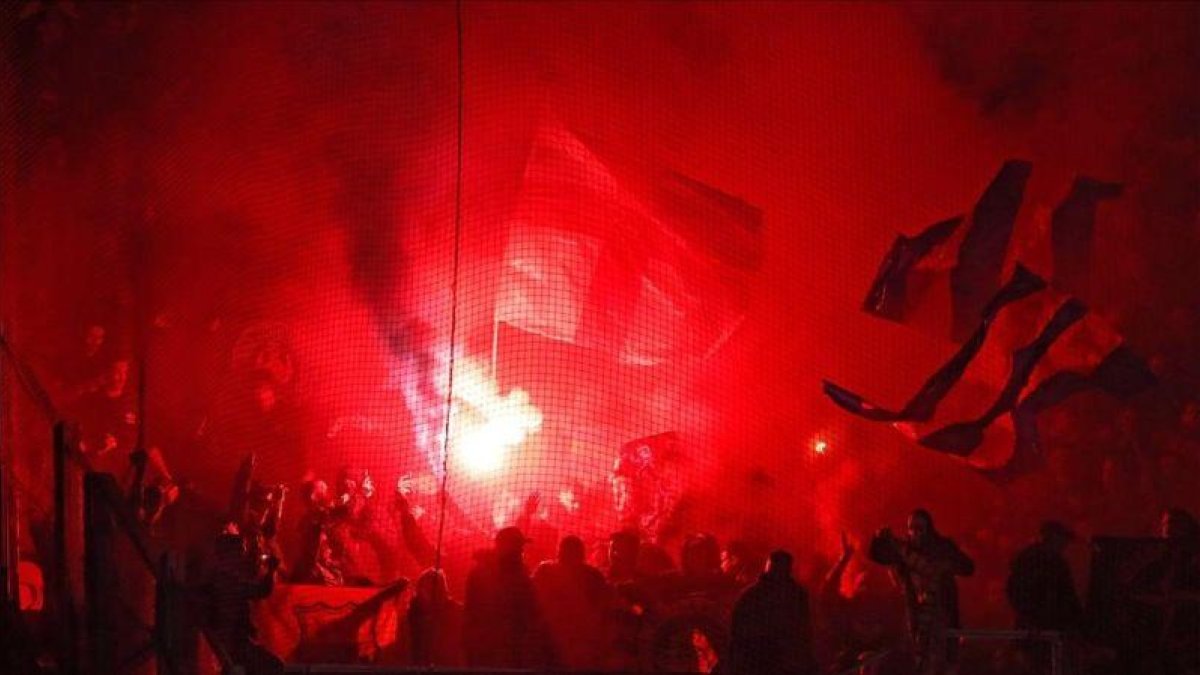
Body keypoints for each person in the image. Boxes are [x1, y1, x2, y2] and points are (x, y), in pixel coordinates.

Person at [869, 509, 974, 675]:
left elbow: (968, 568)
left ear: (928, 529)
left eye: (919, 528)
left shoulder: (943, 547)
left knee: (945, 662)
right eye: (911, 528)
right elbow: (878, 556)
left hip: (942, 612)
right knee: (922, 660)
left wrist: (948, 564)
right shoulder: (904, 551)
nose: (915, 533)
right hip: (918, 615)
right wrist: (879, 538)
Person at [462, 526, 549, 668]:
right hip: (504, 646)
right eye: (518, 546)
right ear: (509, 547)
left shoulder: (480, 571)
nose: (521, 551)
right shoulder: (516, 576)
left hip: (486, 645)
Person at [725, 550, 819, 675]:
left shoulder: (751, 595)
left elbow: (804, 631)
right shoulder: (797, 595)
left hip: (767, 662)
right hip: (767, 662)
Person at [532, 535, 613, 669]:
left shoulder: (546, 572)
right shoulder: (593, 576)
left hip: (554, 641)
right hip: (580, 644)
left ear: (559, 553)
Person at [1006, 520, 1083, 632]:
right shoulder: (1056, 563)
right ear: (1054, 537)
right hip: (1048, 625)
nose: (1065, 544)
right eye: (1063, 538)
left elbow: (1013, 589)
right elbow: (1067, 595)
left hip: (1031, 624)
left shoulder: (1027, 557)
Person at [407, 568, 464, 667]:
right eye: (424, 589)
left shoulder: (455, 611)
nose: (424, 594)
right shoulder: (416, 614)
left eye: (429, 589)